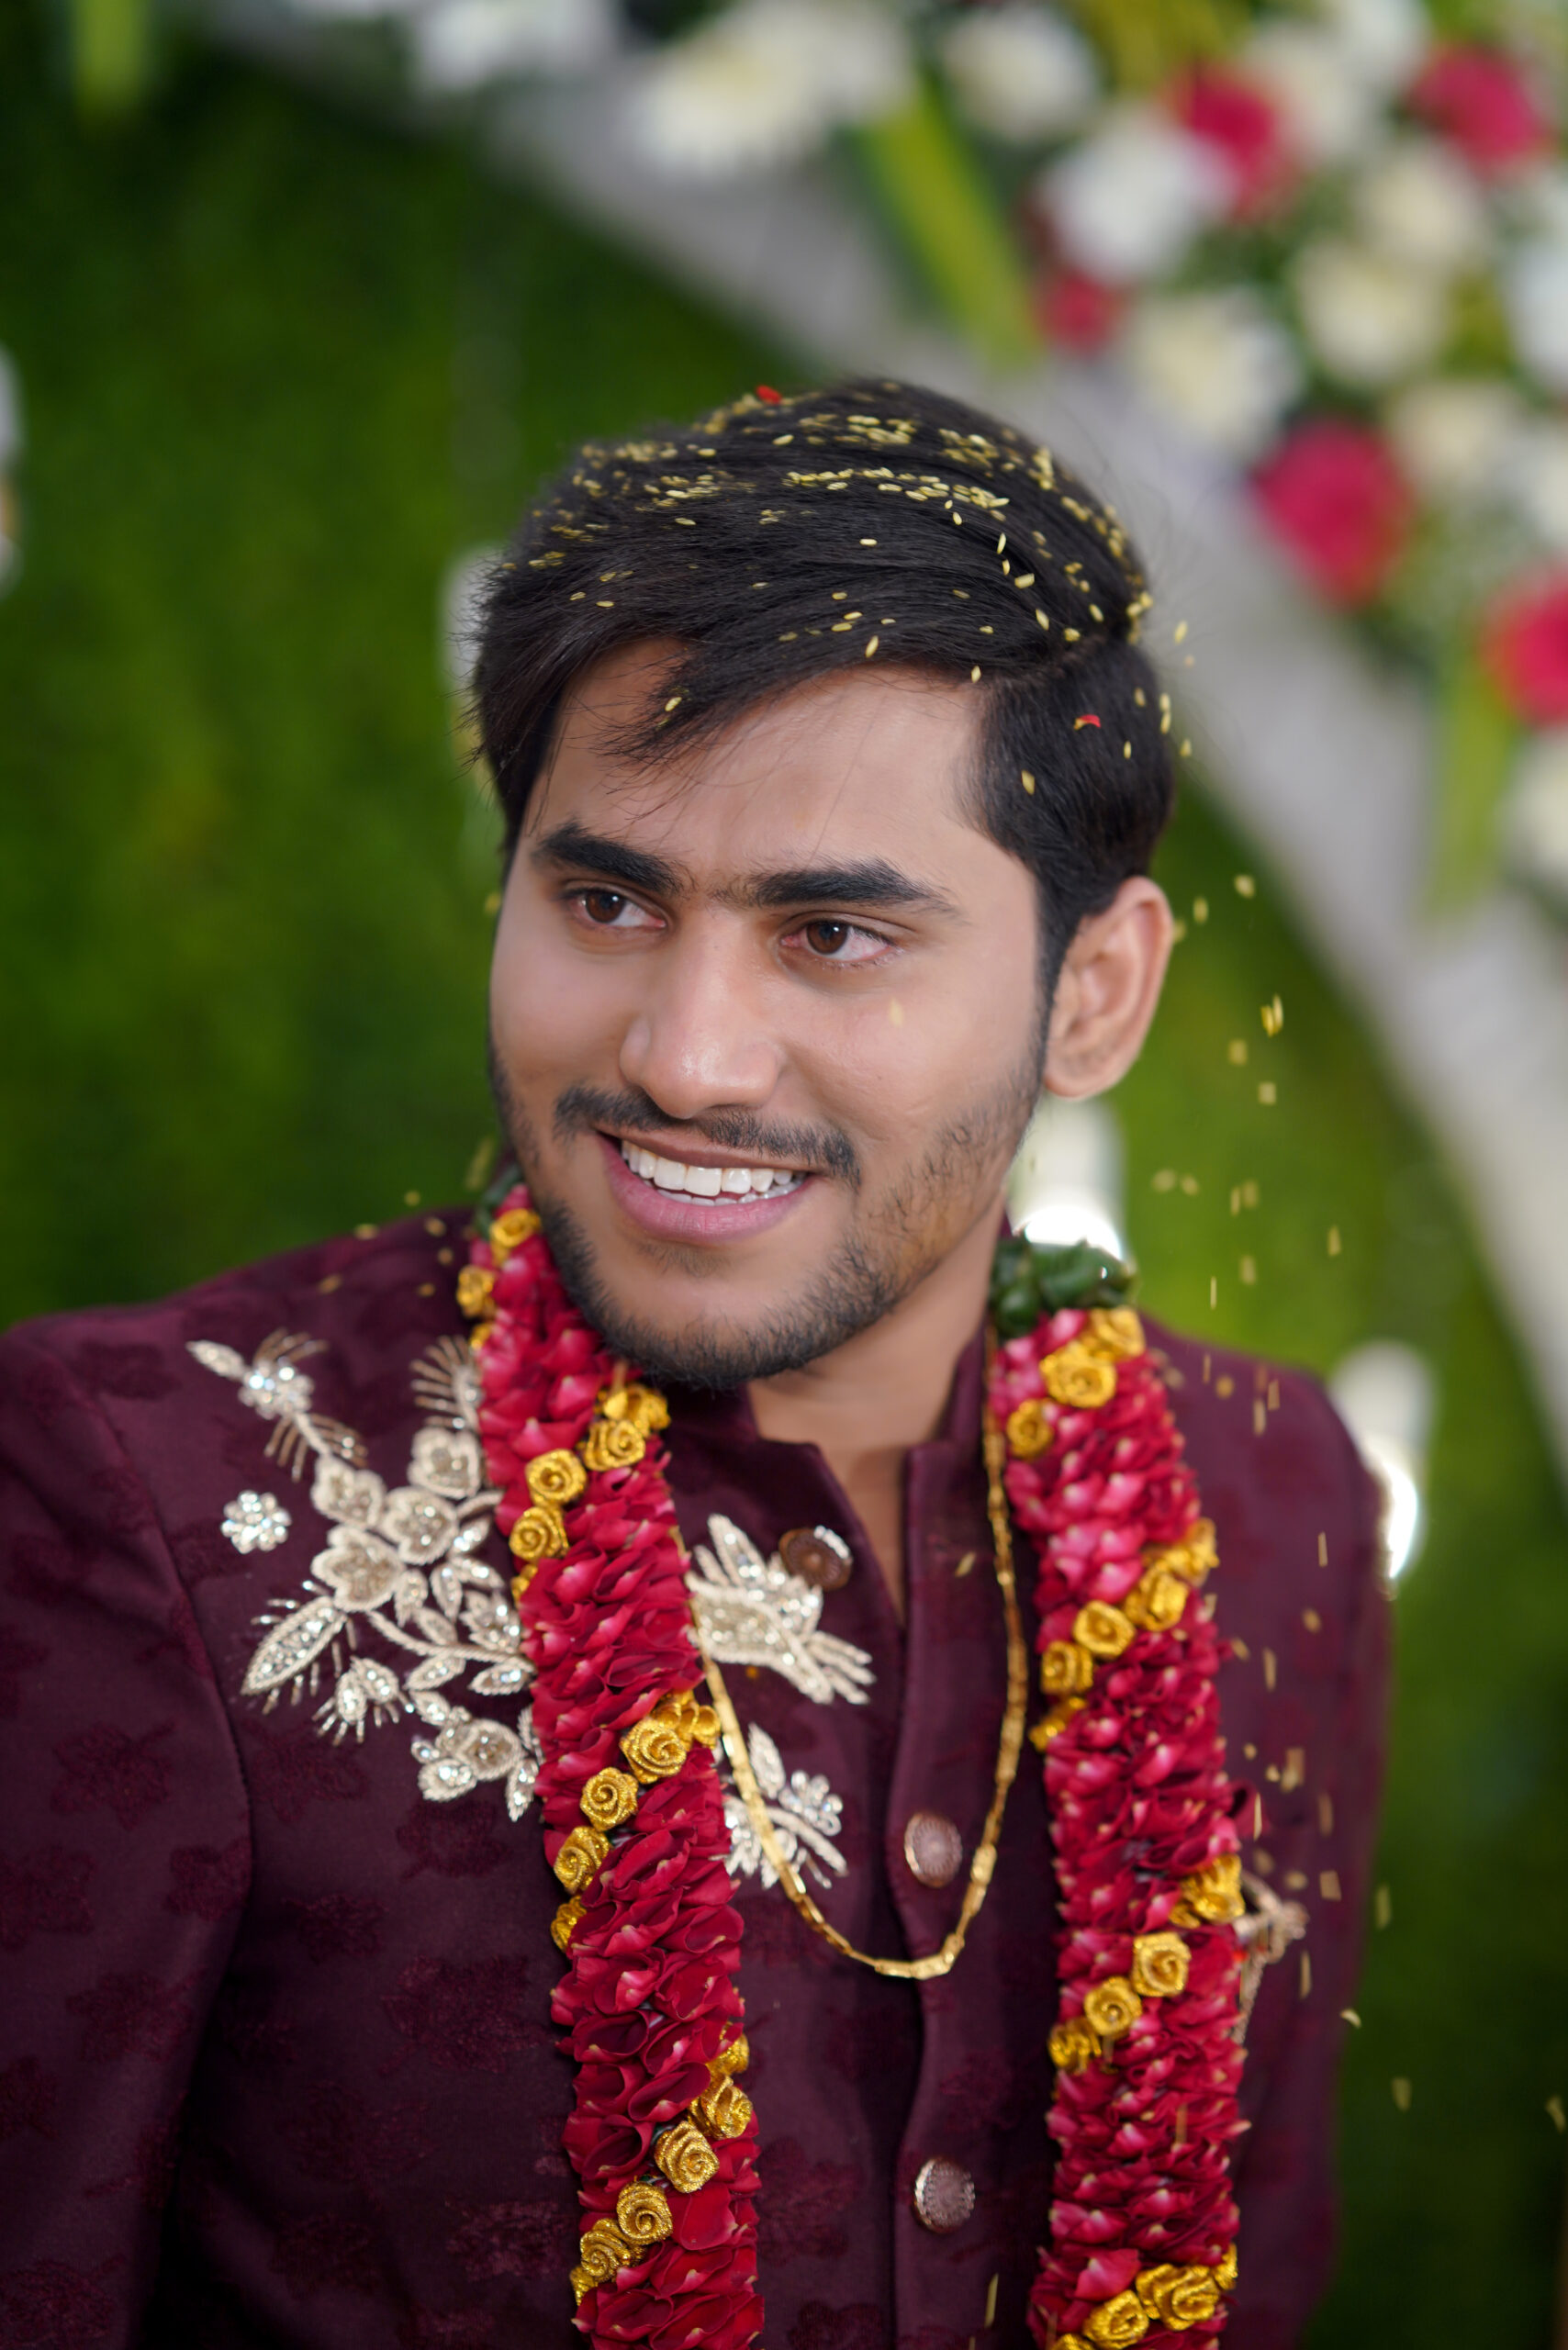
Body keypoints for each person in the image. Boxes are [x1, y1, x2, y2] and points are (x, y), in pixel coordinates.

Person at [0, 379, 1388, 2350]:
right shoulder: (144, 1491)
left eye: (831, 934)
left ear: (1093, 993)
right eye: (606, 899)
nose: (684, 1055)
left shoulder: (1272, 1494)